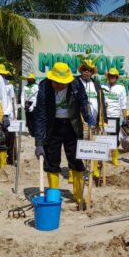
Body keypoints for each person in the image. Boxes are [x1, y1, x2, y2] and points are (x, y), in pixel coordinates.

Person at [34, 62, 95, 206]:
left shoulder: (76, 85)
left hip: (72, 126)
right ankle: (54, 195)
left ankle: (78, 195)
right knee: (51, 161)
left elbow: (83, 101)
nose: (60, 85)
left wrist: (87, 116)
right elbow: (41, 116)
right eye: (57, 83)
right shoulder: (44, 86)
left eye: (63, 83)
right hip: (52, 127)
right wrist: (39, 142)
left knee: (76, 160)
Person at [101, 67, 128, 166]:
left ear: (117, 78)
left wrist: (125, 118)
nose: (111, 77)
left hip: (114, 116)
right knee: (102, 136)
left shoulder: (121, 88)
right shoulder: (102, 86)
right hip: (103, 116)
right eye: (110, 76)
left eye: (114, 76)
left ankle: (114, 158)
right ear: (107, 77)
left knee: (113, 137)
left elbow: (123, 104)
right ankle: (101, 156)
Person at [0, 63, 16, 167]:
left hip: (8, 114)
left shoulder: (8, 85)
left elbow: (11, 100)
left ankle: (10, 158)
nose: (1, 76)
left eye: (2, 74)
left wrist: (10, 115)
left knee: (10, 137)